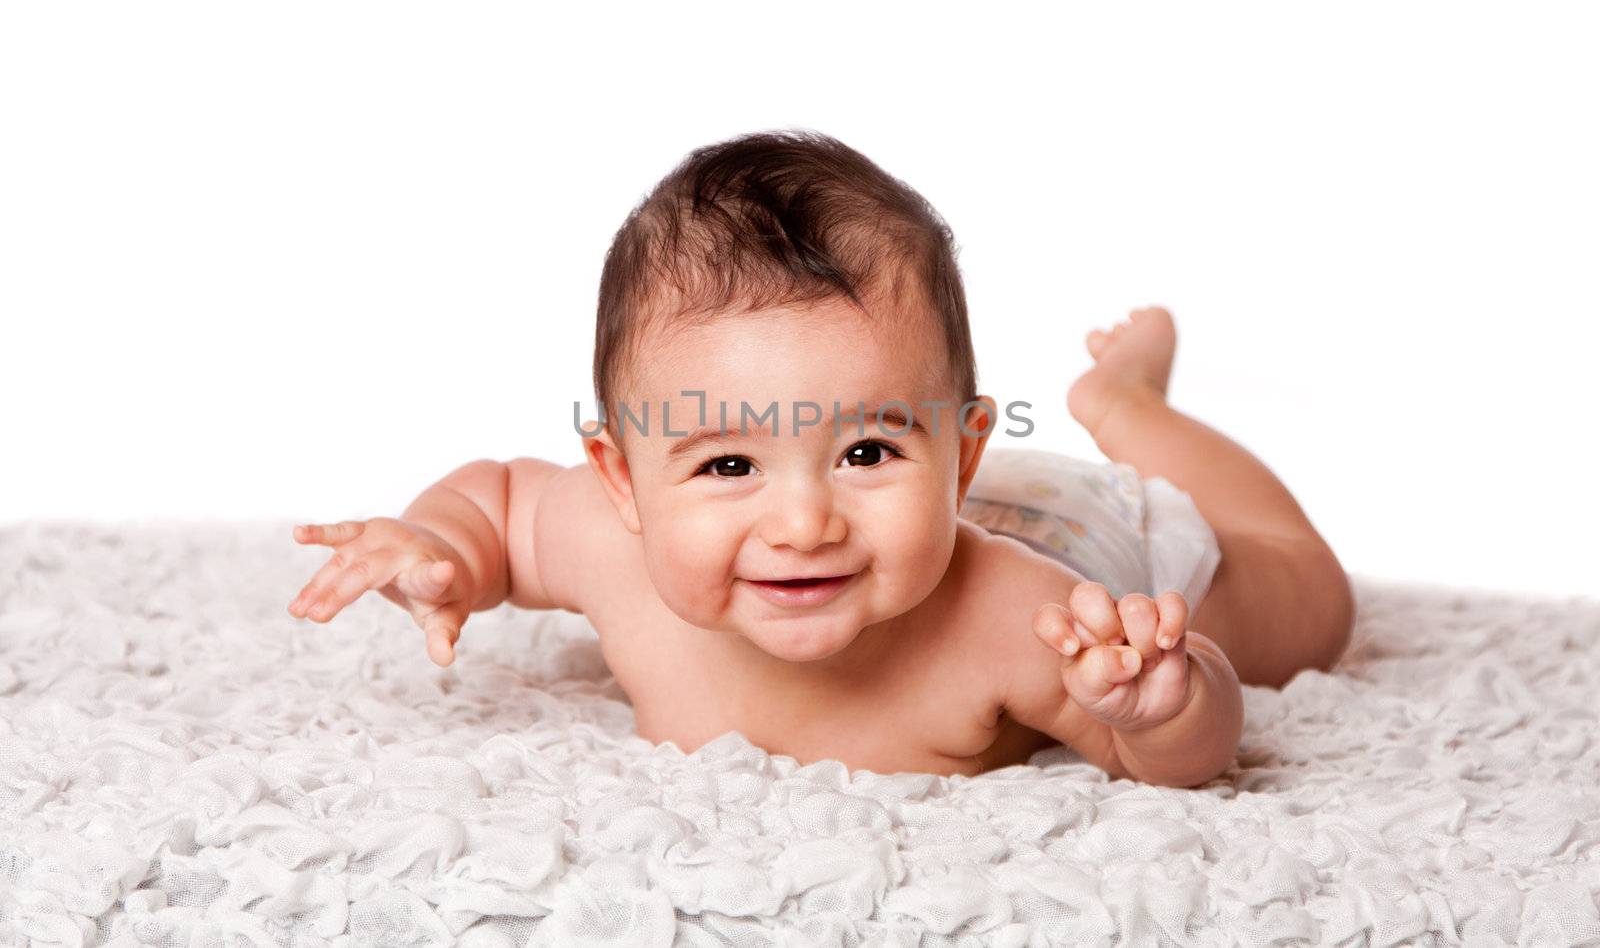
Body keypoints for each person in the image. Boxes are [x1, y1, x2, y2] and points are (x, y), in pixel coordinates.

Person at [288, 130, 1353, 787]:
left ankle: (1121, 404)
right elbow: (500, 498)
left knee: (1305, 601)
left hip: (1088, 536)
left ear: (958, 453)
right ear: (622, 480)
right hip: (963, 506)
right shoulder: (606, 545)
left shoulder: (1017, 618)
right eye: (725, 466)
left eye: (864, 448)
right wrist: (439, 546)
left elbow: (1180, 756)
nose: (803, 522)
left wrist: (1162, 704)